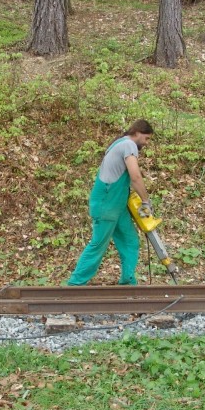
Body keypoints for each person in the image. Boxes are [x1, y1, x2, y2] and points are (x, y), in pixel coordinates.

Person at [67, 119, 154, 286]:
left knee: (130, 241)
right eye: (146, 138)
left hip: (117, 206)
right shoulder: (129, 145)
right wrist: (145, 201)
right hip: (106, 204)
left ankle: (128, 283)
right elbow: (135, 177)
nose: (146, 142)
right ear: (137, 133)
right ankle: (75, 285)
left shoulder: (120, 144)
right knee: (98, 245)